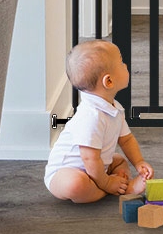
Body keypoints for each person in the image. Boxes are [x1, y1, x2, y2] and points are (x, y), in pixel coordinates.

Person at [44, 40, 153, 204]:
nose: (125, 65)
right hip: (65, 173)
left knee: (119, 160)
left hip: (98, 167)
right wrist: (107, 183)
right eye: (121, 63)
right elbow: (89, 159)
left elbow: (126, 140)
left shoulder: (114, 108)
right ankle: (115, 189)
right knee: (75, 184)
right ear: (109, 81)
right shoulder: (91, 116)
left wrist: (139, 162)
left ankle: (112, 183)